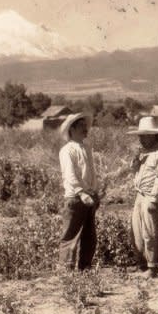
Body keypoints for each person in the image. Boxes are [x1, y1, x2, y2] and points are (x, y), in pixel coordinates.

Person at [125, 116, 158, 277]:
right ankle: (142, 262)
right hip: (140, 194)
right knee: (136, 230)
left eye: (144, 135)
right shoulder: (143, 151)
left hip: (150, 195)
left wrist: (155, 198)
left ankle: (153, 265)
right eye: (140, 136)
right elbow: (134, 170)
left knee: (150, 231)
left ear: (153, 135)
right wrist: (135, 159)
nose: (141, 139)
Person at [58, 113, 99, 271]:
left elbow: (91, 173)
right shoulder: (67, 150)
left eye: (85, 125)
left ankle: (85, 268)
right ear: (72, 129)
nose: (85, 129)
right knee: (70, 236)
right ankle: (65, 270)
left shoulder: (86, 148)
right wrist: (82, 193)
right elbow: (70, 175)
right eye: (81, 126)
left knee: (89, 236)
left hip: (88, 196)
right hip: (76, 197)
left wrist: (94, 191)